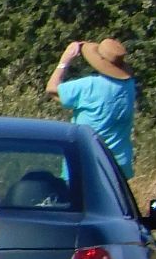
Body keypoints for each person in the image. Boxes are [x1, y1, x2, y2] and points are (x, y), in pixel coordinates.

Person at [47, 37, 137, 177]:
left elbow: (52, 89)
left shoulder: (89, 86)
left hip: (86, 163)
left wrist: (65, 60)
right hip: (119, 166)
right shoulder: (129, 86)